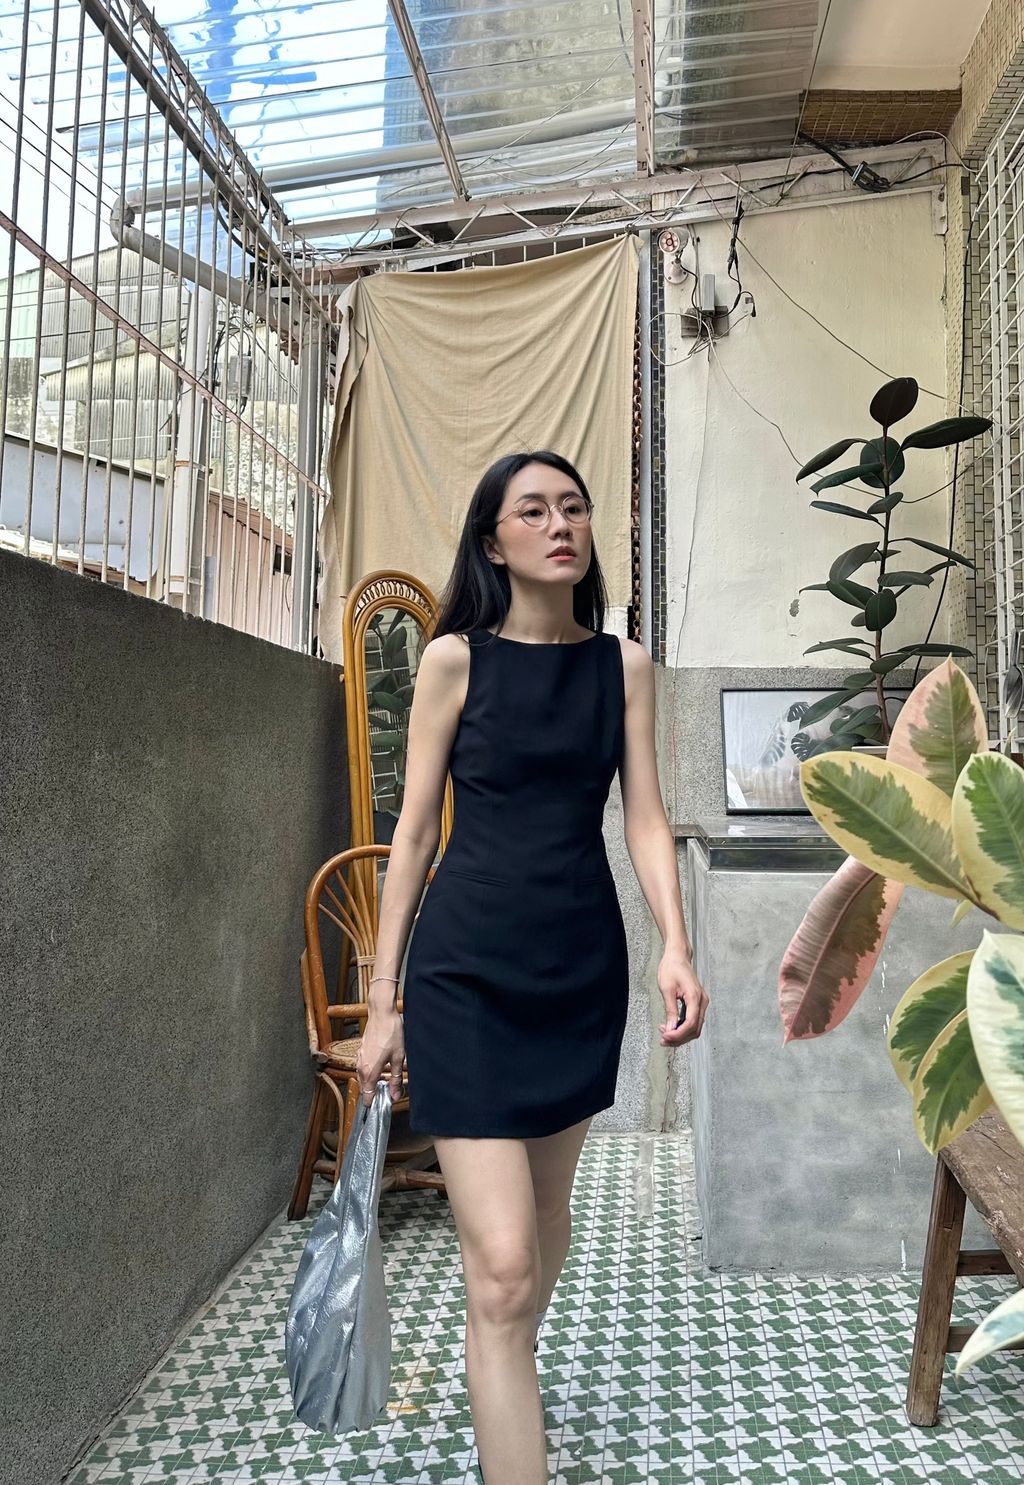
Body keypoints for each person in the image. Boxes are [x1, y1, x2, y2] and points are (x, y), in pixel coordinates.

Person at [357, 450, 708, 1485]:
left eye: (574, 508)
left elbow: (643, 818)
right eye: (534, 510)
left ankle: (498, 1357)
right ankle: (503, 1360)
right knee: (505, 1267)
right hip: (463, 976)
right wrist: (383, 999)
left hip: (577, 970)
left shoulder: (623, 667)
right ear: (493, 541)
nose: (560, 524)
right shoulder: (452, 661)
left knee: (544, 1223)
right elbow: (414, 834)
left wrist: (676, 944)